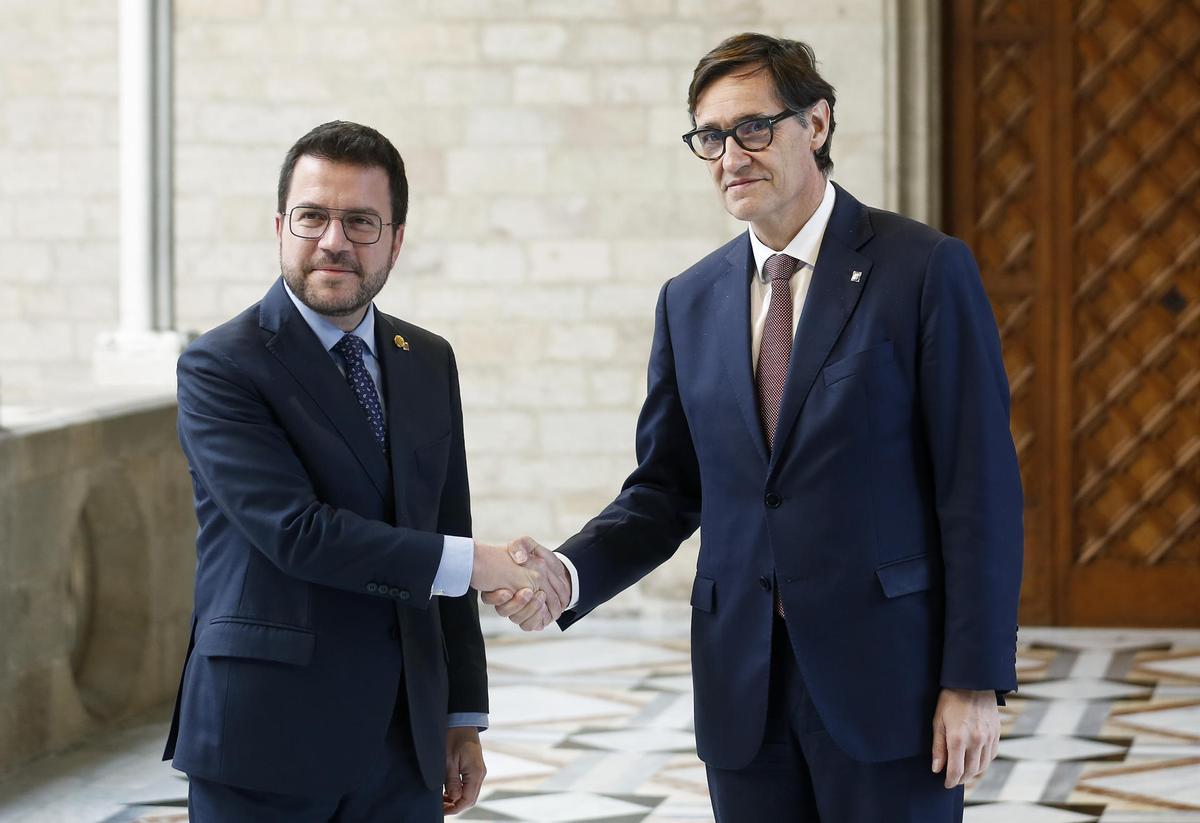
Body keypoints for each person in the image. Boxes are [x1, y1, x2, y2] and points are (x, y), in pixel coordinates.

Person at [484, 33, 1024, 822]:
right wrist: (568, 573)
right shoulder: (689, 300)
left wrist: (973, 678)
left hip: (889, 686)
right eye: (709, 137)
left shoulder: (922, 269)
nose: (729, 154)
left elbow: (977, 489)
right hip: (742, 691)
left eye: (753, 128)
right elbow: (666, 491)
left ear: (819, 123)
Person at [163, 120, 565, 822]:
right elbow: (298, 532)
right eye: (312, 216)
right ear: (280, 226)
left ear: (396, 239)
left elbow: (447, 521)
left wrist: (461, 713)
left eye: (360, 221)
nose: (333, 240)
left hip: (402, 743)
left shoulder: (426, 358)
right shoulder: (221, 365)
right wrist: (482, 565)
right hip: (266, 735)